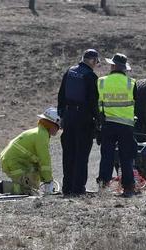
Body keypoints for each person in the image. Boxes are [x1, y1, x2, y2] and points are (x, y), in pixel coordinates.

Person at [57, 49, 101, 196]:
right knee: (81, 155)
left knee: (68, 154)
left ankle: (67, 188)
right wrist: (98, 119)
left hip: (68, 117)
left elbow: (61, 95)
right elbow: (93, 101)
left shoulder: (69, 72)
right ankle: (77, 189)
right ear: (93, 61)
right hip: (83, 118)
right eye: (96, 62)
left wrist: (62, 115)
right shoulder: (90, 76)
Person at [96, 53, 138, 198]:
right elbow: (136, 104)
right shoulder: (131, 83)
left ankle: (103, 185)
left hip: (108, 124)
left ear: (112, 66)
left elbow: (97, 104)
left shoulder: (101, 82)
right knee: (126, 157)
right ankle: (128, 188)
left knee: (106, 155)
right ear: (125, 68)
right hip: (126, 126)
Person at [0, 107, 60, 195]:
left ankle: (0, 187)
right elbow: (45, 161)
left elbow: (39, 162)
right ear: (51, 124)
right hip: (14, 162)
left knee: (34, 181)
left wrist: (45, 178)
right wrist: (49, 181)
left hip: (12, 160)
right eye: (57, 126)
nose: (58, 129)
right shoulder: (41, 136)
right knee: (29, 191)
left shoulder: (39, 132)